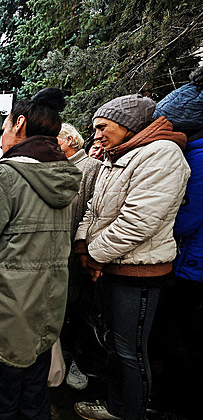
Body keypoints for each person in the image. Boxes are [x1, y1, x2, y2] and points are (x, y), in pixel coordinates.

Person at [0, 87, 82, 419]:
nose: (1, 136)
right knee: (33, 398)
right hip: (45, 305)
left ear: (20, 123)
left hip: (4, 311)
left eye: (5, 127)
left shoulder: (9, 172)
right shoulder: (66, 176)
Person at [73, 94, 190, 420]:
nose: (95, 135)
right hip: (112, 266)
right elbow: (94, 211)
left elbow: (137, 222)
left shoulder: (162, 156)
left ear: (128, 124)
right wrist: (83, 246)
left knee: (131, 351)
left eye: (102, 127)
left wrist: (94, 255)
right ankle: (116, 406)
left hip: (138, 272)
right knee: (116, 345)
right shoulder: (119, 156)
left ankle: (129, 412)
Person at [147, 66, 203, 420]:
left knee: (179, 338)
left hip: (193, 267)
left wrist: (155, 222)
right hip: (190, 263)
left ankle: (175, 406)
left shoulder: (197, 155)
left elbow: (188, 217)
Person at [56, 123, 103, 391]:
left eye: (57, 140)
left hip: (77, 250)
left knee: (77, 307)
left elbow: (90, 211)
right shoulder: (58, 166)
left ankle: (77, 360)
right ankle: (59, 356)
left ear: (70, 140)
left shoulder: (89, 168)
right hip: (60, 250)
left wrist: (81, 246)